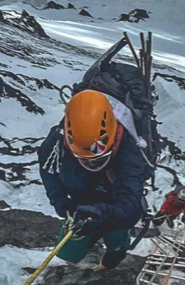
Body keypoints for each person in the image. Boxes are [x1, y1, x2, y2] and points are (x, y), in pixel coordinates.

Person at [38, 88, 149, 269]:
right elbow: (47, 168)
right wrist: (58, 199)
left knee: (116, 239)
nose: (92, 166)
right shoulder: (58, 140)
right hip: (80, 201)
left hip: (113, 204)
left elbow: (131, 204)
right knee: (67, 252)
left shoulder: (129, 154)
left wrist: (104, 216)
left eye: (99, 159)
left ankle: (114, 253)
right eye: (84, 160)